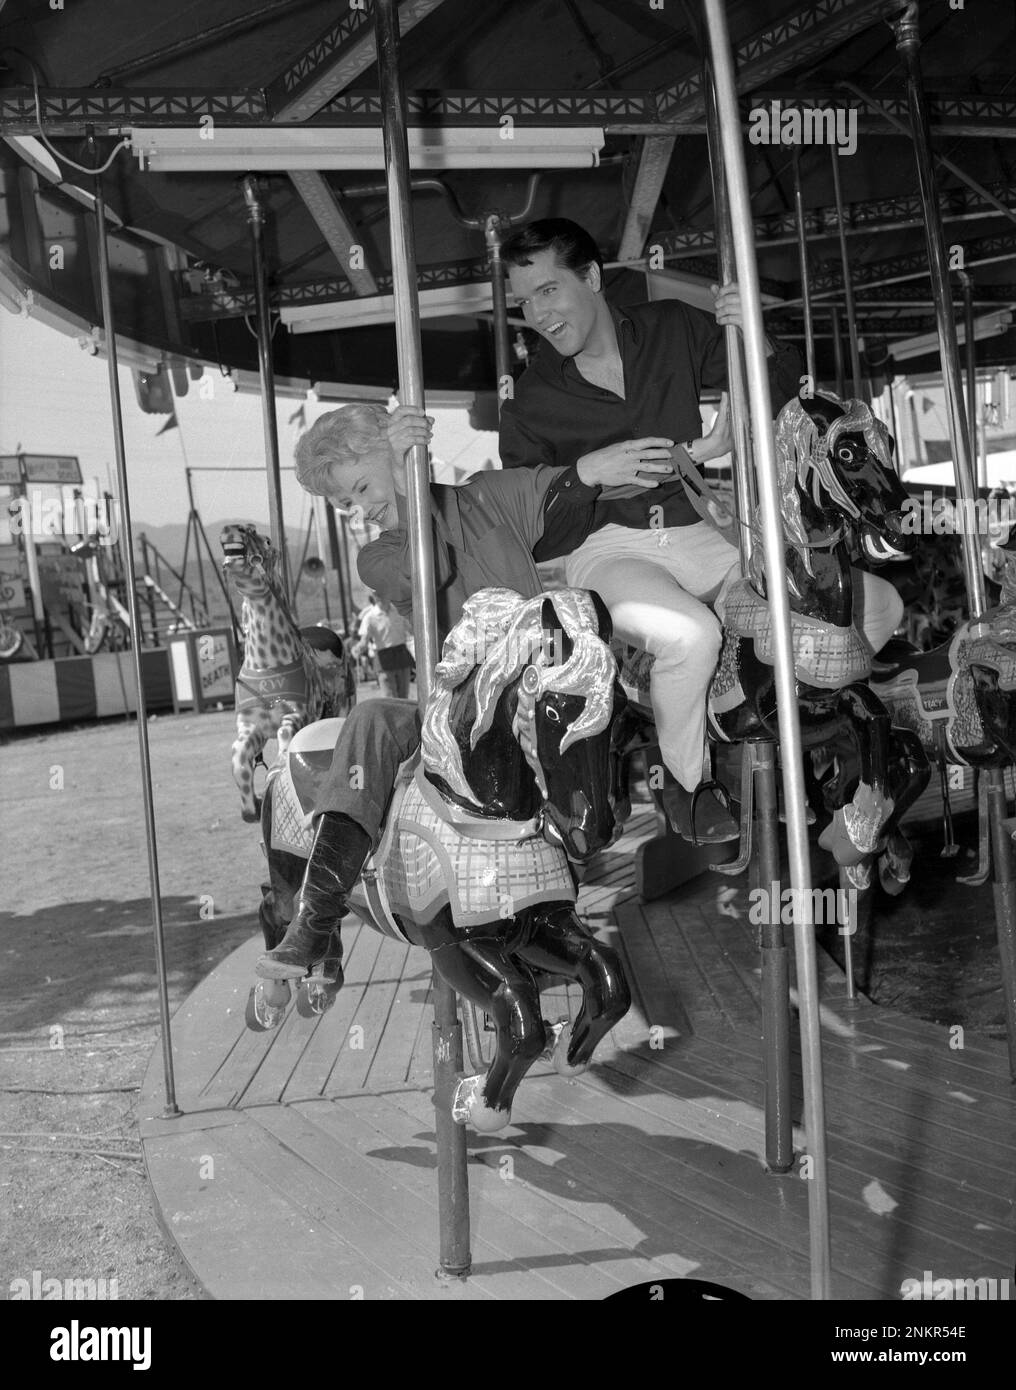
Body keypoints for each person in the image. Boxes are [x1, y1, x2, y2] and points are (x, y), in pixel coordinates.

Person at [499, 217, 903, 842]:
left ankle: (793, 716)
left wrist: (754, 333)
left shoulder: (672, 328)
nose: (538, 313)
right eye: (524, 302)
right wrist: (587, 474)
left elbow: (779, 398)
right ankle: (684, 782)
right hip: (607, 548)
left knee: (875, 605)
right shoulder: (528, 403)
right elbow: (531, 527)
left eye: (548, 290)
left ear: (592, 277)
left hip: (698, 524)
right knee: (691, 634)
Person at [256, 400, 671, 981]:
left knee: (613, 687)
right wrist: (406, 481)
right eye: (345, 503)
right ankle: (316, 915)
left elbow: (558, 489)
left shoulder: (486, 498)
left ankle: (680, 800)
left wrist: (608, 465)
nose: (358, 509)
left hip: (533, 682)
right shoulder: (377, 555)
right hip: (449, 706)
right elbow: (428, 568)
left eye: (360, 487)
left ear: (389, 450)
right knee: (374, 717)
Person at [354, 593, 413, 698]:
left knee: (404, 696)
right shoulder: (369, 617)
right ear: (374, 597)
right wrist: (358, 648)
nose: (380, 596)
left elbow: (412, 630)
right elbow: (364, 640)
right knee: (390, 697)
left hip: (402, 655)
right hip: (384, 658)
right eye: (376, 594)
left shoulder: (399, 612)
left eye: (382, 592)